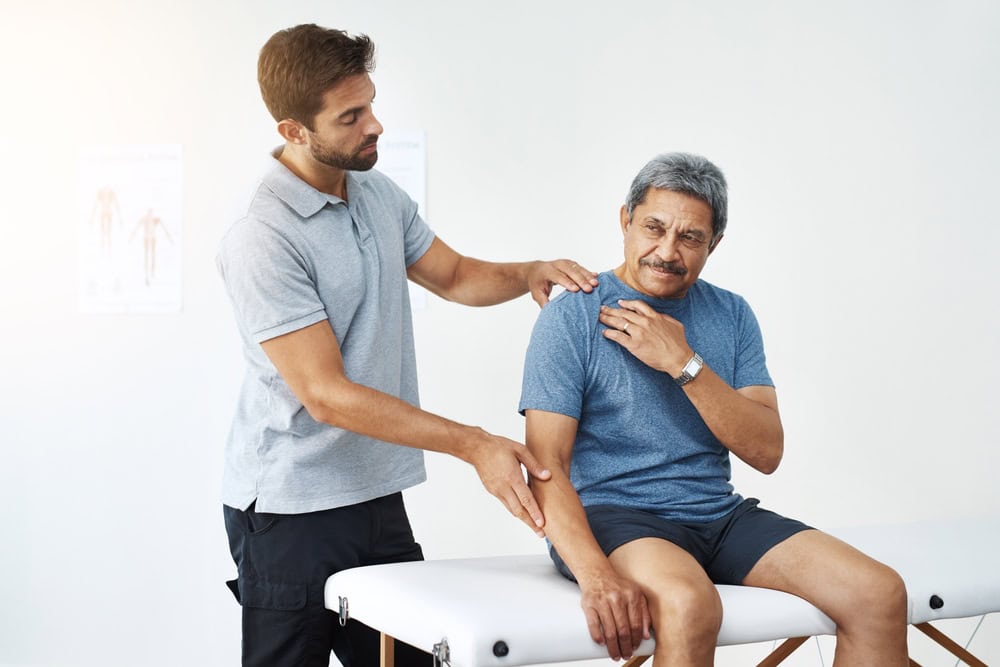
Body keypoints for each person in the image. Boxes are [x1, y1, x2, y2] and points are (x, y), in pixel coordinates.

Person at [216, 24, 598, 667]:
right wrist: (474, 444)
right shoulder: (262, 235)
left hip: (373, 496)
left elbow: (453, 275)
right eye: (350, 117)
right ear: (293, 130)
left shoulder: (374, 192)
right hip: (291, 510)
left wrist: (529, 271)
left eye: (370, 104)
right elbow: (327, 396)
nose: (375, 126)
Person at [519, 152, 909, 666]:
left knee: (879, 593)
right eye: (654, 228)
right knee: (690, 604)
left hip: (718, 517)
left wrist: (682, 362)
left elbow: (766, 451)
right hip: (614, 518)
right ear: (625, 220)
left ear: (714, 244)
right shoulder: (572, 314)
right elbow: (545, 468)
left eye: (690, 237)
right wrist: (595, 575)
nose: (667, 251)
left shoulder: (732, 313)